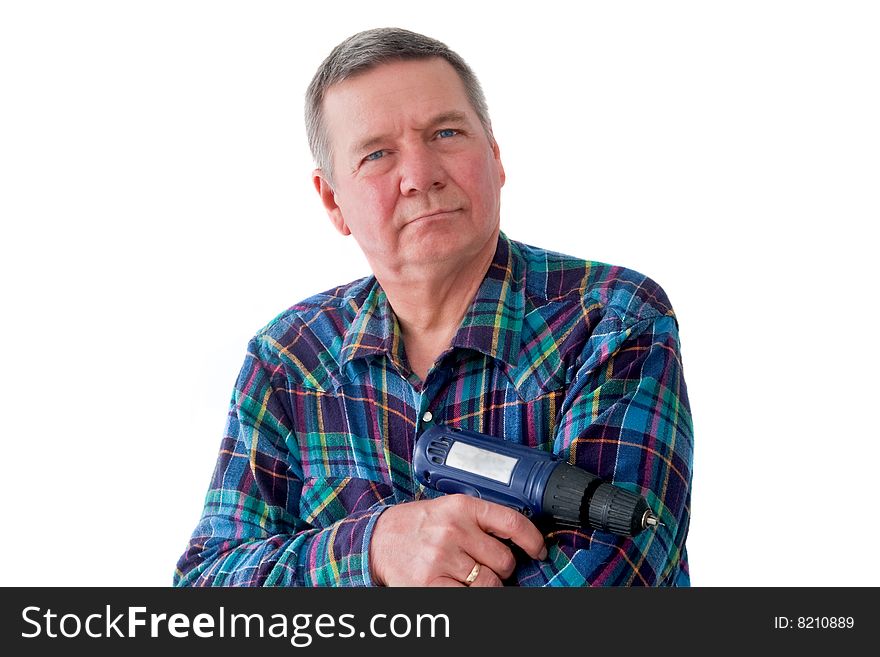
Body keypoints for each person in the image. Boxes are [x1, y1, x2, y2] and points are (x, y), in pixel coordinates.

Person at [174, 27, 693, 587]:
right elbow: (207, 588)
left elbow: (619, 575)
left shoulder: (613, 321)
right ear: (333, 201)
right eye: (377, 154)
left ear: (495, 158)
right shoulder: (288, 360)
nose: (420, 176)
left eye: (446, 133)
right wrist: (371, 551)